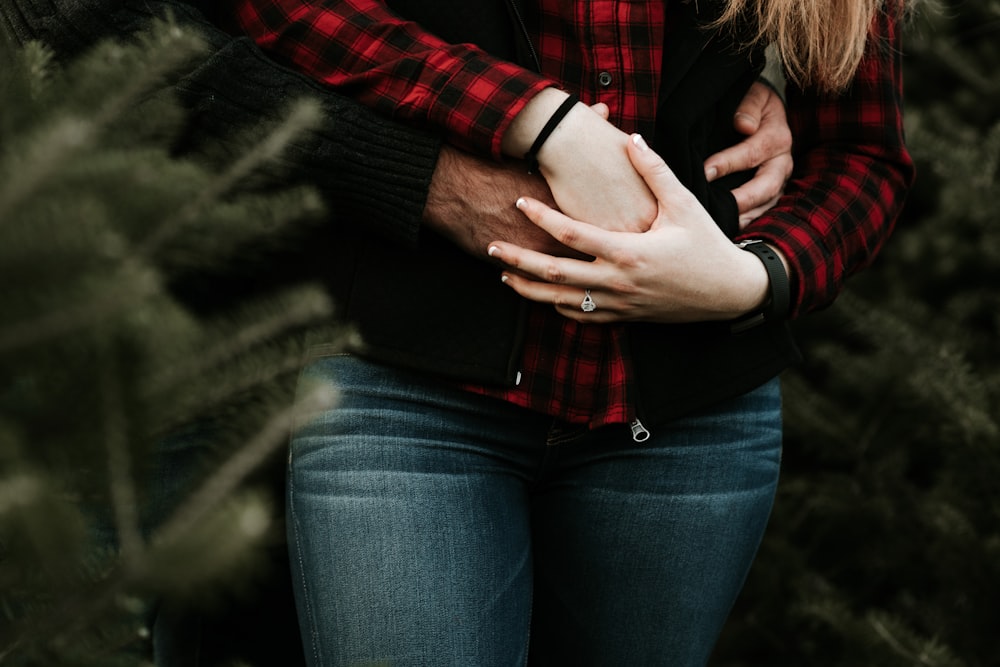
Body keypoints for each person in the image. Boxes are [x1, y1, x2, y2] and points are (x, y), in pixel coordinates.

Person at [1, 1, 794, 665]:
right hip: (155, 311)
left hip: (349, 312)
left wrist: (733, 81)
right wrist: (467, 165)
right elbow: (82, 18)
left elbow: (856, 128)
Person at [217, 0, 913, 665]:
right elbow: (292, 12)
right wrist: (538, 120)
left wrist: (755, 279)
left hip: (690, 423)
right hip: (409, 390)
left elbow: (861, 153)